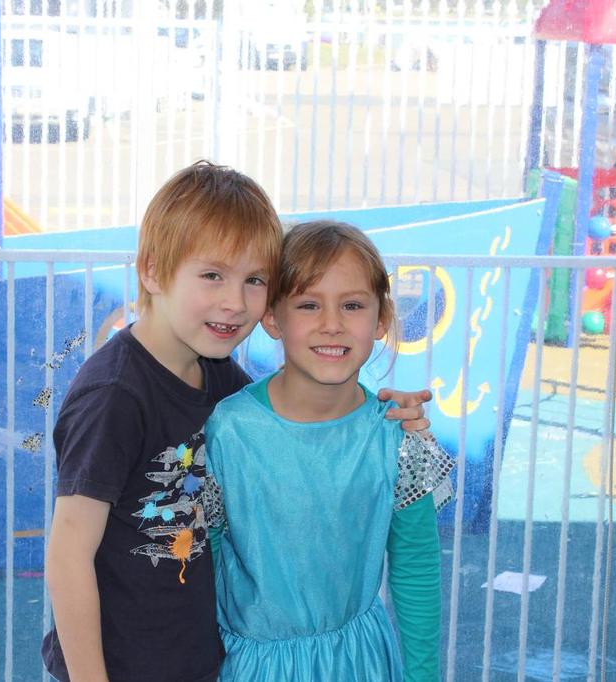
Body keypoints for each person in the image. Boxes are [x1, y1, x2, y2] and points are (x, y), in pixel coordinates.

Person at [41, 162, 433, 682]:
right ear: (153, 271)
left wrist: (383, 414)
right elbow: (69, 553)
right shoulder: (115, 395)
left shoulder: (220, 378)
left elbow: (291, 414)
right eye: (212, 275)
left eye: (254, 280)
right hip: (121, 668)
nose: (235, 301)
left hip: (203, 661)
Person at [203, 220, 454, 681]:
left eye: (353, 305)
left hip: (363, 666)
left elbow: (415, 569)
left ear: (381, 319)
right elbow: (204, 564)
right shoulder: (228, 431)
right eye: (309, 304)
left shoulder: (398, 436)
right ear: (273, 318)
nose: (332, 325)